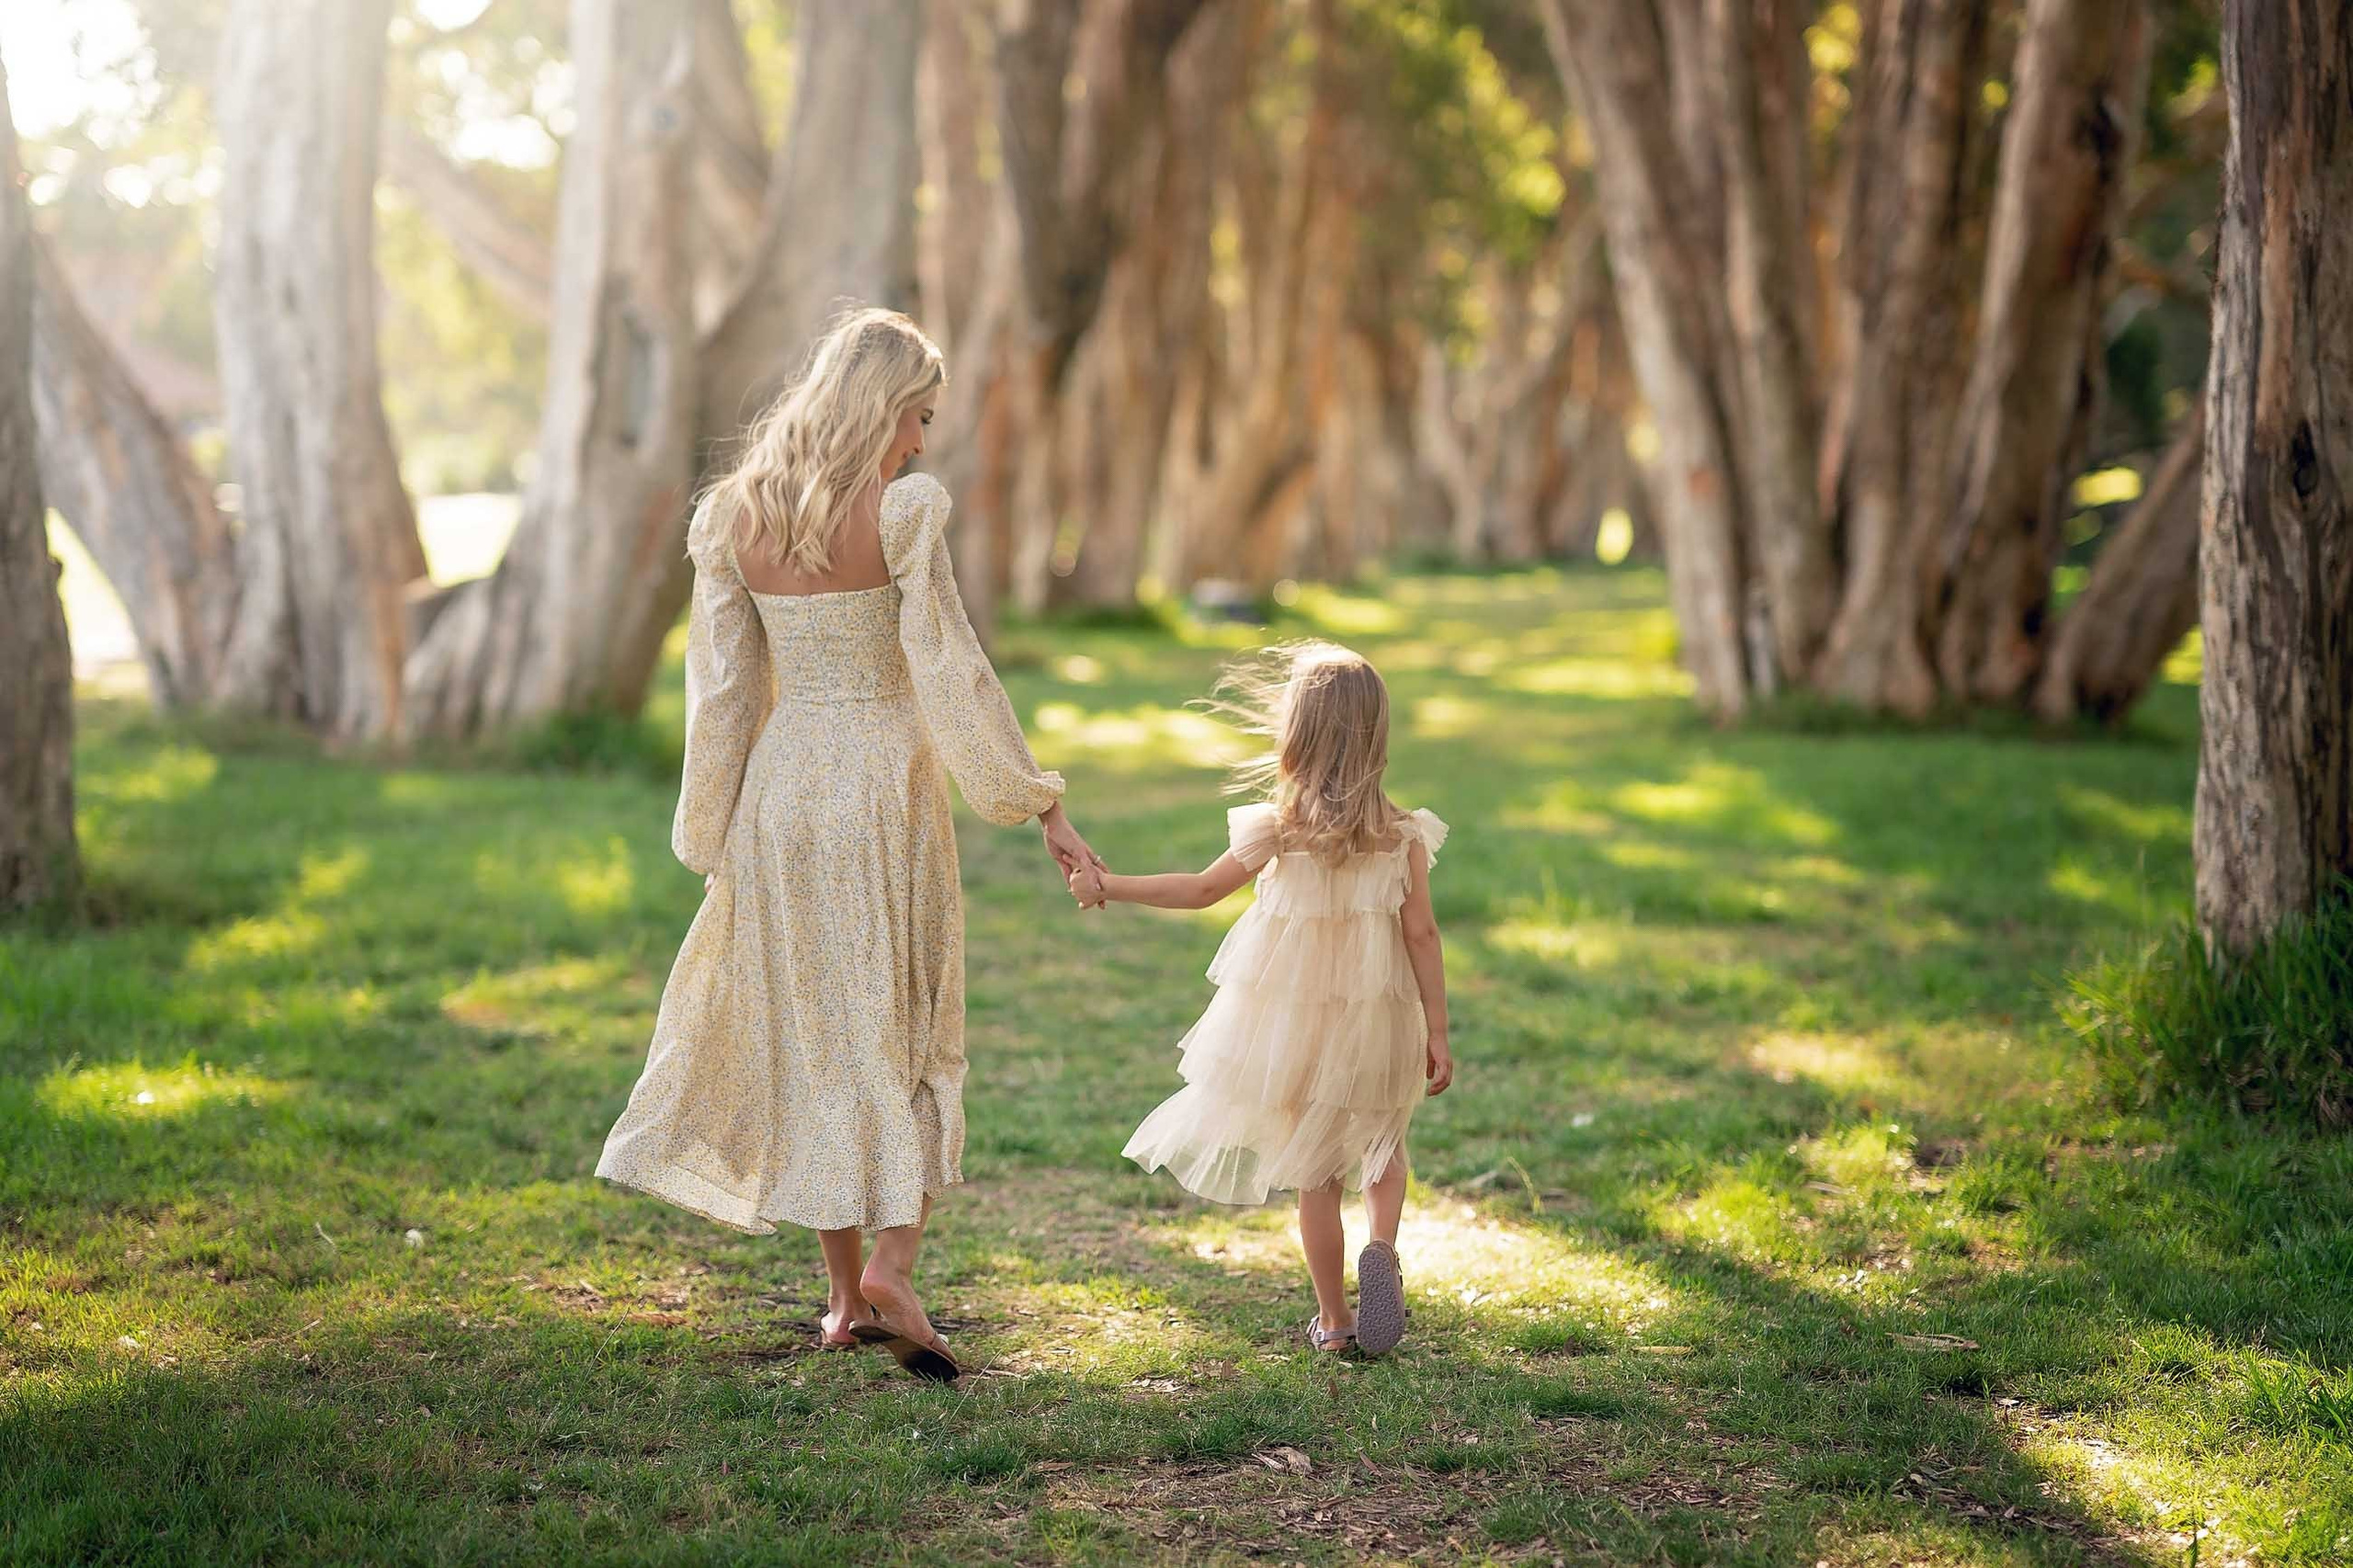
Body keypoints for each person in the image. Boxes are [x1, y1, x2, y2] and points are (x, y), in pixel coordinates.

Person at [597, 307, 1104, 1382]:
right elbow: (950, 665)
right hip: (883, 786)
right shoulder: (905, 509)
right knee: (904, 1023)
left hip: (782, 795)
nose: (921, 441)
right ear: (882, 407)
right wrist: (1034, 799)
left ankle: (839, 1303)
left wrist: (709, 828)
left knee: (818, 1035)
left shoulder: (736, 514)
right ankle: (892, 1265)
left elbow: (724, 689)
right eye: (917, 415)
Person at [1069, 642, 1451, 1357]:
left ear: (1296, 737)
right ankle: (1383, 1249)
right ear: (1378, 738)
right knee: (1382, 1145)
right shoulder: (1402, 837)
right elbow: (1423, 935)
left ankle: (1335, 1322)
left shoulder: (1278, 830)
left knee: (1316, 1172)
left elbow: (1199, 890)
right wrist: (1439, 1032)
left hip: (1290, 1023)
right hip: (1381, 1018)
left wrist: (1109, 886)